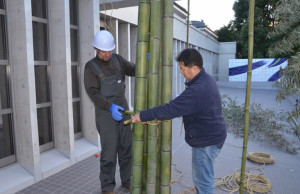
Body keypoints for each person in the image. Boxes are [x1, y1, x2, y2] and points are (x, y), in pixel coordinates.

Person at [131, 48, 227, 194]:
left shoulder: (198, 89)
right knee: (204, 179)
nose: (181, 72)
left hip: (206, 142)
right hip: (212, 136)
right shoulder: (206, 78)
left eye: (182, 69)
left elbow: (170, 109)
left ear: (194, 68)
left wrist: (141, 116)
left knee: (203, 182)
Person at [84, 30, 135, 194]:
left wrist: (145, 63)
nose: (107, 54)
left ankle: (128, 180)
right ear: (95, 48)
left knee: (127, 147)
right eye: (103, 51)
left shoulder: (118, 59)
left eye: (109, 50)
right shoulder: (90, 67)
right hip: (106, 112)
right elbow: (93, 93)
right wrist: (110, 107)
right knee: (109, 151)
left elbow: (133, 70)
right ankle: (107, 187)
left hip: (123, 108)